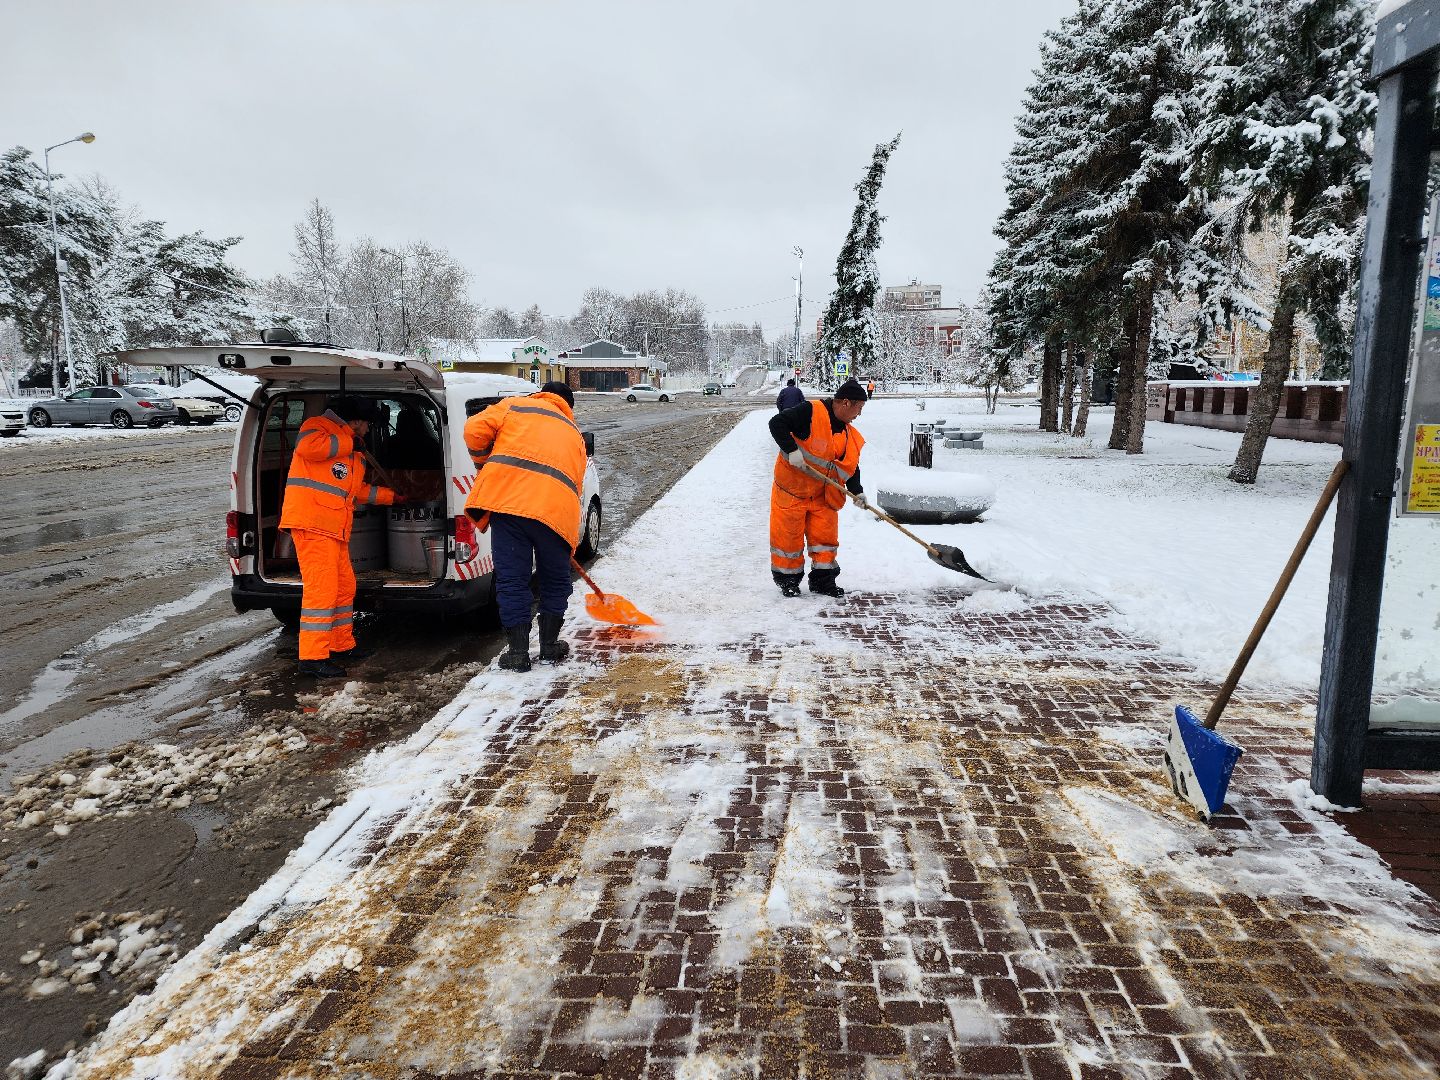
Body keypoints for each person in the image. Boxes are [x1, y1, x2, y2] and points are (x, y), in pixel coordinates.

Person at [464, 381, 587, 672]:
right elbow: (577, 485)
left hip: (509, 507)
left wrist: (485, 462)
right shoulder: (574, 434)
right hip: (554, 515)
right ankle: (549, 647)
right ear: (567, 405)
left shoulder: (513, 406)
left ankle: (518, 653)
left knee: (512, 580)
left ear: (541, 393)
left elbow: (473, 430)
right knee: (555, 581)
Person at [279, 396, 397, 678]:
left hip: (334, 528)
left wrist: (393, 497)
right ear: (356, 421)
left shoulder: (352, 449)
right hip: (312, 524)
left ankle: (341, 644)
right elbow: (308, 447)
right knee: (322, 590)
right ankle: (312, 657)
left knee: (344, 587)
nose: (369, 430)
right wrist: (350, 443)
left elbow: (355, 490)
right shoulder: (317, 426)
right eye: (368, 424)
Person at [768, 378, 868, 598]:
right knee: (788, 540)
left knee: (825, 543)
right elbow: (777, 424)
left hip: (823, 496)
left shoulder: (849, 433)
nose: (859, 414)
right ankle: (789, 582)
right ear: (845, 403)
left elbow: (850, 466)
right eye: (858, 408)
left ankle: (823, 582)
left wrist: (857, 491)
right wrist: (791, 450)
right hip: (792, 491)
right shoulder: (811, 412)